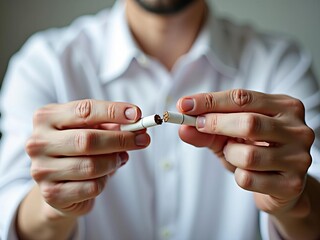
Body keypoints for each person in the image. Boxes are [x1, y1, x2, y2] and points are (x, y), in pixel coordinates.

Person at [0, 0, 320, 239]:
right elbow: (8, 215)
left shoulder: (280, 63)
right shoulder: (44, 64)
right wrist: (51, 207)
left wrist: (294, 200)